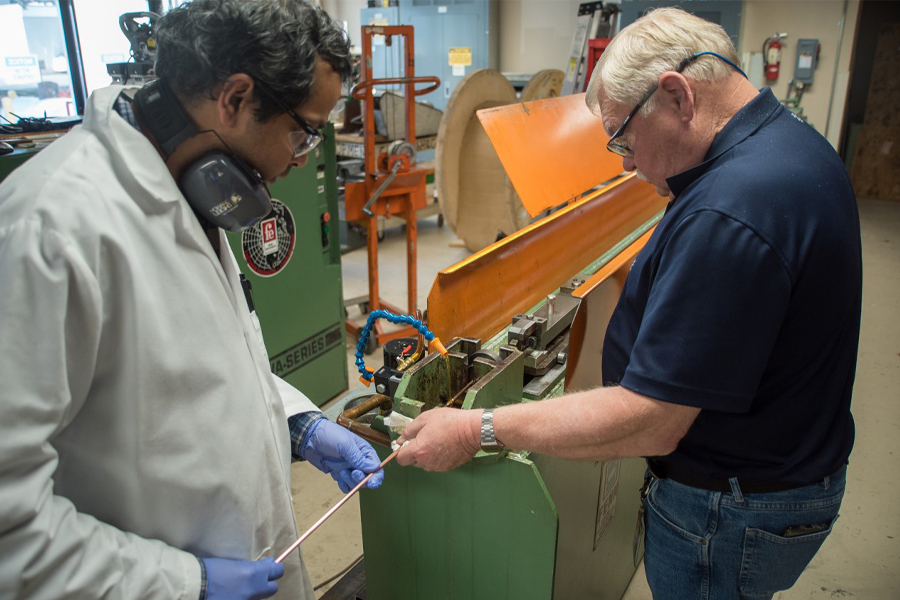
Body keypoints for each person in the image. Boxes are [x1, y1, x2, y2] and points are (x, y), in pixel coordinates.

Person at [396, 7, 860, 599]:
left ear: (677, 97)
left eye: (623, 136)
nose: (624, 161)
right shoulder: (786, 145)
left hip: (729, 508)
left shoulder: (731, 210)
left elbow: (652, 420)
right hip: (786, 471)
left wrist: (476, 429)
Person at [0, 1, 384, 599]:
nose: (300, 158)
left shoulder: (187, 189)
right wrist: (183, 583)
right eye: (303, 132)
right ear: (233, 98)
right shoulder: (50, 230)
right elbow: (9, 521)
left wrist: (297, 425)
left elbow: (198, 368)